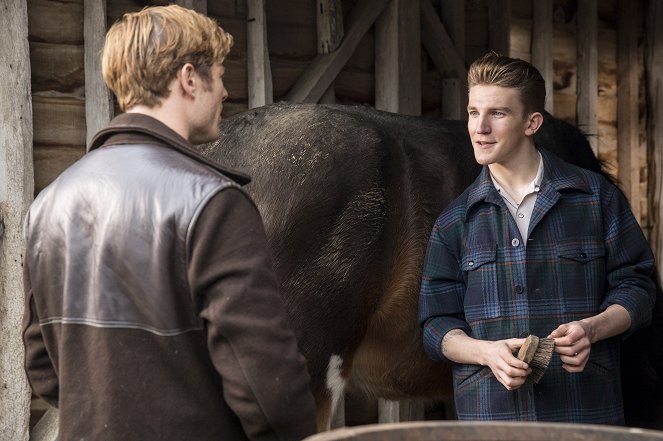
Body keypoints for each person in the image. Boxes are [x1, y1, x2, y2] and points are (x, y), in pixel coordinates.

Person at [22, 5, 317, 440]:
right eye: (218, 75)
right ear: (188, 78)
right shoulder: (214, 203)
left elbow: (42, 366)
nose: (225, 94)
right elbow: (268, 388)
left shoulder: (48, 204)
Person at [418, 52, 657, 424]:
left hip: (585, 417)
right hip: (492, 422)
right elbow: (435, 325)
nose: (480, 128)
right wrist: (486, 353)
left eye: (497, 113)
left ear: (532, 123)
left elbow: (638, 287)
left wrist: (592, 329)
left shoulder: (596, 198)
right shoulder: (454, 222)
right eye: (473, 112)